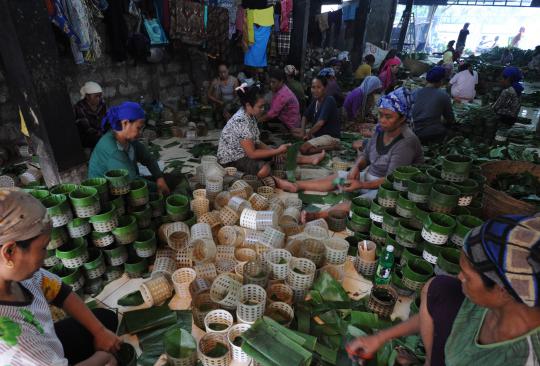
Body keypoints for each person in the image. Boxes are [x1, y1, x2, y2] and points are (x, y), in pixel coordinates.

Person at [346, 214, 540, 366]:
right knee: (440, 288)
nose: (459, 278)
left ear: (502, 290)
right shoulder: (492, 301)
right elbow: (435, 310)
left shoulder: (522, 358)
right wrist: (380, 338)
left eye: (467, 275)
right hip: (450, 352)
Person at [0, 189, 121, 366]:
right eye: (43, 247)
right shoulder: (13, 343)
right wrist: (104, 357)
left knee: (105, 319)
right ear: (9, 252)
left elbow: (60, 292)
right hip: (38, 357)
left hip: (43, 340)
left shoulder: (17, 274)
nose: (46, 254)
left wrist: (100, 331)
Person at [275, 87, 423, 221]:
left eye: (388, 117)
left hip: (388, 191)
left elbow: (392, 181)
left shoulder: (406, 142)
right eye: (381, 115)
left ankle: (318, 215)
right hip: (369, 178)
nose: (382, 120)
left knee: (355, 204)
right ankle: (297, 185)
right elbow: (365, 155)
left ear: (402, 118)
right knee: (338, 179)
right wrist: (356, 167)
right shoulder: (381, 130)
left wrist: (362, 184)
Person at [217, 83, 325, 178]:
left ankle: (310, 159)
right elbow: (252, 154)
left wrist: (274, 152)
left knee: (278, 153)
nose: (263, 110)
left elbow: (257, 142)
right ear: (248, 105)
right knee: (265, 168)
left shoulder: (250, 116)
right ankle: (242, 175)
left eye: (264, 106)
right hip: (231, 160)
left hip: (245, 153)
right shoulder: (241, 121)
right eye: (260, 107)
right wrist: (275, 152)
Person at [88, 101, 171, 196]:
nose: (140, 133)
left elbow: (148, 158)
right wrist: (158, 188)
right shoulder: (113, 149)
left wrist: (160, 178)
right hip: (105, 195)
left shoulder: (129, 139)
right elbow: (133, 181)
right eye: (138, 128)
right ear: (125, 123)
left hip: (127, 182)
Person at [298, 75, 342, 156]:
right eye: (313, 87)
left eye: (318, 87)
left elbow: (320, 123)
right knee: (294, 131)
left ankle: (332, 146)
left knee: (303, 149)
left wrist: (308, 134)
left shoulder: (329, 100)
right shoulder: (316, 101)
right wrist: (302, 131)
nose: (315, 90)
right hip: (320, 133)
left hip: (330, 136)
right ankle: (318, 143)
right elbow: (305, 116)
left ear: (325, 88)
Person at [411, 66, 455, 144]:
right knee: (452, 133)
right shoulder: (443, 95)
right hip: (432, 133)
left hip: (413, 131)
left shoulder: (415, 92)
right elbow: (450, 119)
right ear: (441, 80)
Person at [258, 69, 302, 136]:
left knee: (263, 120)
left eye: (273, 82)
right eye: (270, 82)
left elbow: (272, 114)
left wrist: (257, 121)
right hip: (285, 119)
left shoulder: (283, 94)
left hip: (290, 125)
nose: (271, 84)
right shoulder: (280, 89)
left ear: (281, 81)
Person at [74, 82, 107, 149]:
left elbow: (105, 120)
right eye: (95, 96)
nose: (98, 98)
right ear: (87, 96)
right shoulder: (80, 107)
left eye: (99, 96)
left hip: (101, 133)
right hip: (87, 136)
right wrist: (102, 135)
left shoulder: (102, 104)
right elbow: (87, 128)